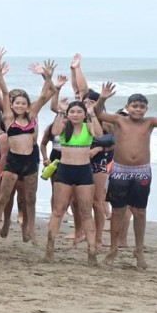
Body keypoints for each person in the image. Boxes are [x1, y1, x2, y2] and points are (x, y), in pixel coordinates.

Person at [94, 84, 157, 270]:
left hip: (141, 171)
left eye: (142, 107)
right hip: (119, 171)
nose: (138, 110)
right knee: (118, 211)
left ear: (146, 109)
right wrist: (102, 98)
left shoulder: (149, 122)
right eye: (135, 106)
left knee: (140, 211)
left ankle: (139, 250)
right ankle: (113, 249)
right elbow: (98, 113)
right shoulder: (119, 120)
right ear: (128, 106)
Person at [0, 61, 62, 244]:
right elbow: (1, 93)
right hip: (14, 154)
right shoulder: (10, 114)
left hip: (31, 154)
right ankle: (7, 222)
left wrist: (47, 77)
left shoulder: (32, 111)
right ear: (11, 103)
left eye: (21, 100)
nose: (19, 103)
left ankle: (26, 229)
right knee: (7, 195)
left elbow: (46, 94)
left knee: (26, 196)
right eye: (14, 99)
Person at [44, 97, 103, 264]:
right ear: (68, 114)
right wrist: (61, 111)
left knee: (86, 212)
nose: (75, 115)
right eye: (72, 112)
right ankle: (50, 247)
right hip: (65, 171)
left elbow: (99, 134)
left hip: (84, 172)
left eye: (79, 112)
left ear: (84, 114)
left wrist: (92, 114)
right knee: (58, 211)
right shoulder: (64, 127)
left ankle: (91, 250)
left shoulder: (88, 126)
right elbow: (54, 132)